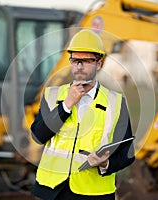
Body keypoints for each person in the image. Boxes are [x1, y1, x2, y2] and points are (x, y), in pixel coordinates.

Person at [30, 29, 135, 200]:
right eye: (75, 60)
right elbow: (38, 136)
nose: (79, 66)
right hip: (52, 191)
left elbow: (127, 153)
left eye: (86, 61)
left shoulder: (115, 103)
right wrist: (66, 105)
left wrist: (106, 163)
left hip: (94, 193)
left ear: (98, 63)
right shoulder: (52, 95)